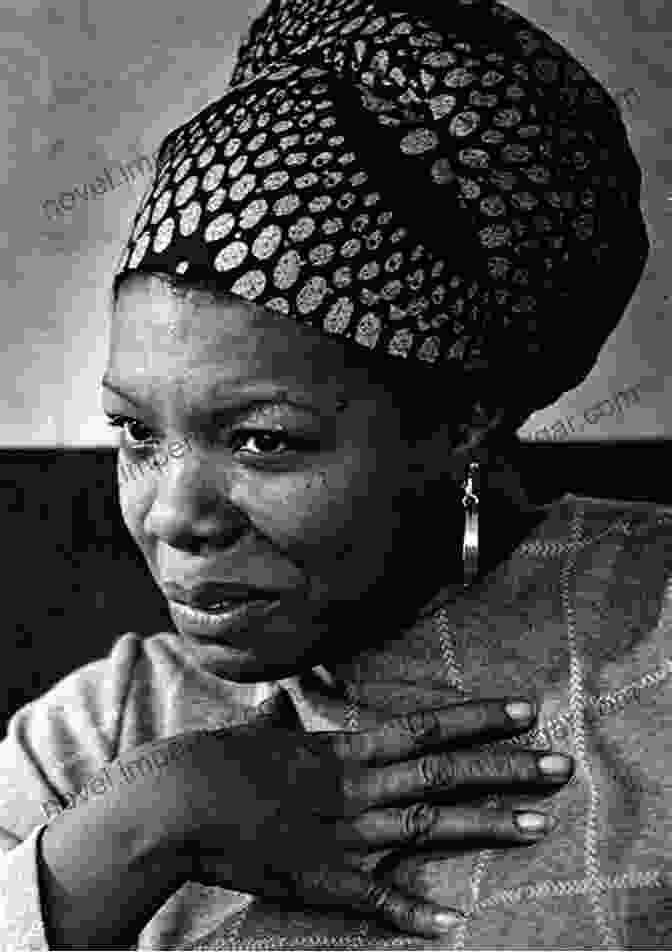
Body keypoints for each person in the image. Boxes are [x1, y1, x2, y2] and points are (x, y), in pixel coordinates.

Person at [1, 0, 669, 948]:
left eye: (263, 440)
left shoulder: (654, 639)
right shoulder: (100, 735)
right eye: (136, 433)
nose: (171, 516)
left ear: (462, 420)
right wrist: (145, 826)